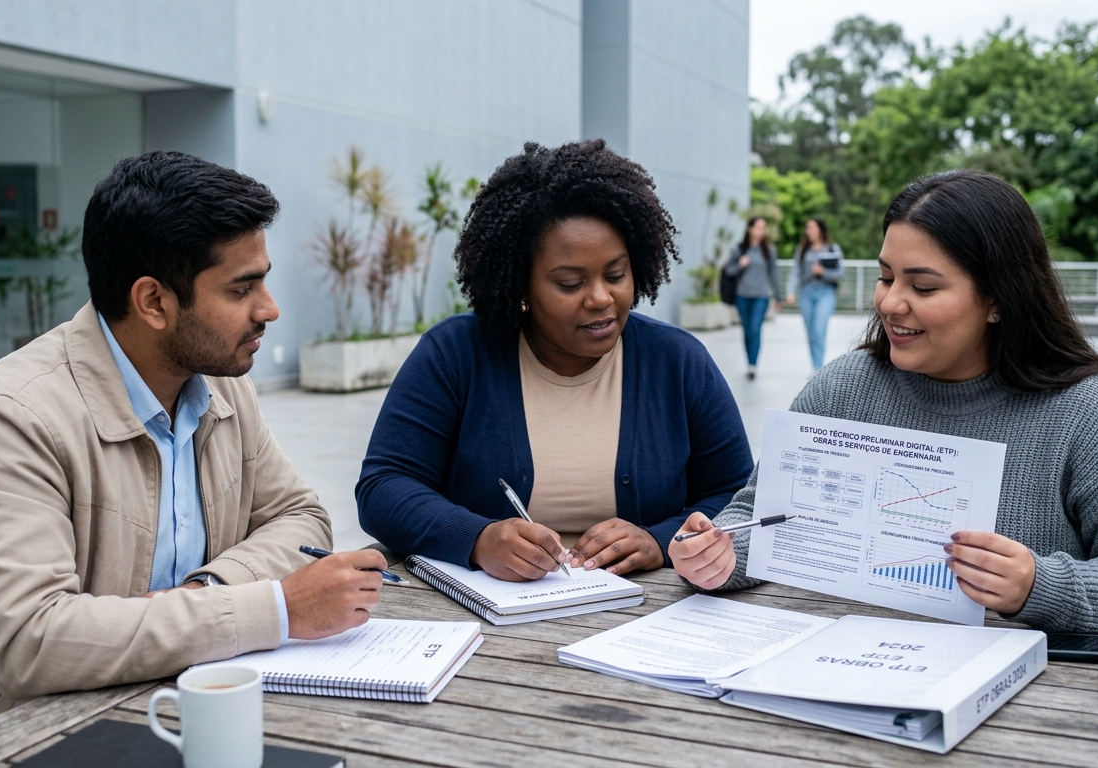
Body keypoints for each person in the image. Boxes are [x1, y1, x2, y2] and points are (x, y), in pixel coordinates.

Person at [0, 152, 388, 750]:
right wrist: (273, 608)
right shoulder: (11, 416)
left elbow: (300, 518)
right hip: (18, 741)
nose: (269, 308)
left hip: (164, 707)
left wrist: (206, 596)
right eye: (243, 288)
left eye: (262, 279)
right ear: (154, 302)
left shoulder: (222, 387)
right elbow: (29, 641)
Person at [670, 169, 1098, 634]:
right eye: (885, 277)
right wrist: (717, 554)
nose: (890, 302)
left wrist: (1041, 585)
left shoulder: (1094, 414)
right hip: (827, 665)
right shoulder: (841, 389)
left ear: (997, 299)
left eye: (922, 287)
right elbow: (758, 519)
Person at [357, 140, 754, 581]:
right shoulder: (455, 354)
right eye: (570, 283)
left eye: (617, 275)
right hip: (489, 616)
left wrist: (660, 540)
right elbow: (384, 486)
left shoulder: (678, 362)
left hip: (647, 612)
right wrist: (478, 538)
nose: (602, 298)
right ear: (520, 286)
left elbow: (737, 493)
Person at [722, 217, 782, 379]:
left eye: (764, 228)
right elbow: (728, 271)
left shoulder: (769, 250)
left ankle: (753, 365)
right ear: (750, 229)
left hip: (761, 296)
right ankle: (749, 362)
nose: (761, 231)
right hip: (742, 296)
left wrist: (778, 296)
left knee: (755, 329)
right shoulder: (739, 249)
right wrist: (740, 264)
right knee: (747, 331)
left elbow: (773, 273)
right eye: (758, 227)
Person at [784, 218, 844, 370]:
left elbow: (840, 274)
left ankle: (818, 367)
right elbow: (795, 272)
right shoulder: (802, 249)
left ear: (820, 230)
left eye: (812, 228)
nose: (808, 231)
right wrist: (790, 291)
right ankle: (815, 365)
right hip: (806, 292)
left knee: (819, 329)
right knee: (811, 332)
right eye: (807, 228)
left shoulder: (832, 249)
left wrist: (822, 271)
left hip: (825, 292)